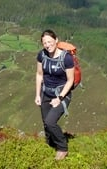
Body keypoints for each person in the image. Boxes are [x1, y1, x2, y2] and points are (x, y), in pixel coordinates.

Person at [34, 29, 74, 160]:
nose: (47, 45)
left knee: (51, 122)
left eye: (50, 41)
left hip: (62, 94)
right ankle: (50, 144)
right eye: (44, 43)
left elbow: (70, 80)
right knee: (46, 123)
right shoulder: (42, 55)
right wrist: (37, 95)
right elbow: (39, 74)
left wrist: (60, 98)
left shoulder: (66, 58)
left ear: (56, 40)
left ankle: (62, 148)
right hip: (46, 92)